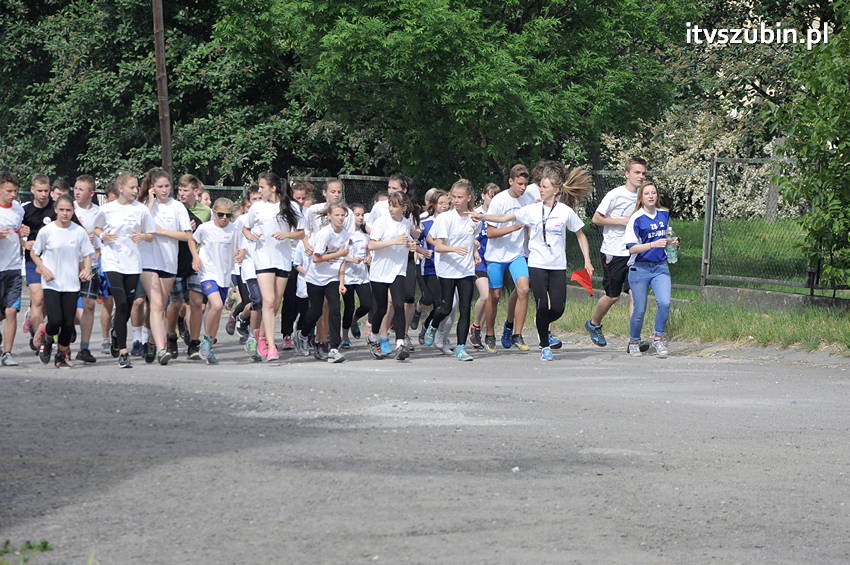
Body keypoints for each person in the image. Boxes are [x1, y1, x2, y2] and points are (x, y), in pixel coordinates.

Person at [474, 164, 594, 361]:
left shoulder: (564, 211)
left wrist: (587, 260)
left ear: (555, 190)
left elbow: (580, 234)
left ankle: (541, 325)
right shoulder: (530, 209)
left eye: (545, 187)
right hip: (537, 264)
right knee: (540, 304)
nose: (540, 189)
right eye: (540, 186)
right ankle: (544, 345)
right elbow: (505, 217)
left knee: (557, 308)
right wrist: (483, 216)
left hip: (557, 265)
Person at [94, 173, 156, 368]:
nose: (136, 190)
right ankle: (123, 351)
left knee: (128, 305)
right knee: (120, 303)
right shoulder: (107, 209)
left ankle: (115, 331)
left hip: (132, 263)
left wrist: (143, 237)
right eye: (132, 187)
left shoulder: (141, 211)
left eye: (137, 187)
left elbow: (151, 234)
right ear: (121, 188)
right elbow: (96, 228)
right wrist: (103, 235)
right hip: (112, 262)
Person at [586, 157, 648, 350]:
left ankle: (634, 340)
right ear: (627, 174)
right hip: (614, 252)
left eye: (643, 173)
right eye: (637, 172)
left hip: (635, 253)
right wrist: (623, 221)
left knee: (635, 295)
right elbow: (596, 218)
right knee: (612, 296)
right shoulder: (615, 195)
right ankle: (594, 324)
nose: (641, 176)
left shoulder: (643, 196)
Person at [241, 171, 304, 361]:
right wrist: (250, 236)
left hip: (283, 259)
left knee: (275, 304)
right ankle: (270, 346)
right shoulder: (257, 207)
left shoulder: (291, 206)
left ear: (273, 188)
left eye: (262, 187)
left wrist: (286, 235)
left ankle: (259, 336)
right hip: (263, 258)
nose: (259, 191)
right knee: (267, 301)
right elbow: (246, 227)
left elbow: (300, 233)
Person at [31, 195, 94, 368]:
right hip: (52, 282)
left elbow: (87, 254)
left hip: (71, 283)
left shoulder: (78, 231)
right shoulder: (47, 231)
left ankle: (61, 353)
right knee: (55, 320)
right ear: (56, 210)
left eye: (68, 210)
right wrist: (43, 269)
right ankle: (47, 334)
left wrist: (87, 269)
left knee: (68, 323)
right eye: (62, 210)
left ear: (73, 211)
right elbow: (34, 253)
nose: (65, 213)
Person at [139, 168, 193, 365]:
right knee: (156, 304)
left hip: (169, 261)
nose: (164, 190)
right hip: (148, 261)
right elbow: (139, 227)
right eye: (160, 187)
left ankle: (153, 340)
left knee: (160, 305)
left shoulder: (177, 207)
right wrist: (150, 204)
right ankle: (162, 349)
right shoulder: (144, 206)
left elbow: (187, 235)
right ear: (152, 188)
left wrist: (163, 231)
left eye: (167, 186)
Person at [424, 179, 481, 361]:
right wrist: (454, 249)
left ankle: (461, 348)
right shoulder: (445, 218)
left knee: (465, 309)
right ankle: (433, 324)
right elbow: (438, 246)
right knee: (446, 307)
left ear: (468, 198)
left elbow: (470, 238)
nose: (456, 201)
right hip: (447, 269)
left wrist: (475, 252)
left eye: (460, 197)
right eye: (454, 197)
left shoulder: (474, 219)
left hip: (466, 269)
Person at [483, 164, 533, 353]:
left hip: (517, 254)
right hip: (496, 255)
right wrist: (513, 227)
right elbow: (490, 232)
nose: (523, 188)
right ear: (510, 181)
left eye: (525, 184)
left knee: (524, 289)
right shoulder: (499, 201)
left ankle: (516, 334)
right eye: (519, 183)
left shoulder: (527, 199)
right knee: (494, 296)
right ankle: (489, 334)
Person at [624, 181, 678, 358]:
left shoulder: (663, 214)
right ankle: (634, 341)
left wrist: (673, 242)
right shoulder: (636, 218)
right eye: (646, 193)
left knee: (665, 302)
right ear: (641, 197)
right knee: (639, 309)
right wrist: (652, 245)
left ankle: (658, 338)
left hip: (660, 266)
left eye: (653, 193)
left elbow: (665, 237)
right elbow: (632, 248)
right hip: (640, 268)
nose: (651, 196)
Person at [367, 192, 416, 360]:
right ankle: (373, 337)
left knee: (398, 304)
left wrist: (413, 246)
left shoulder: (406, 223)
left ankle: (400, 343)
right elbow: (372, 244)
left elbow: (408, 241)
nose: (391, 208)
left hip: (397, 269)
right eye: (390, 204)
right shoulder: (381, 222)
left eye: (395, 206)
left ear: (404, 208)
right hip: (380, 271)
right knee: (380, 308)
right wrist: (393, 241)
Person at [299, 202, 350, 363]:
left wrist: (342, 282)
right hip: (315, 278)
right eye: (337, 215)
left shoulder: (345, 234)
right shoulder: (324, 234)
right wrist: (338, 254)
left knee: (335, 309)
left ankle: (333, 348)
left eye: (343, 215)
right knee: (316, 311)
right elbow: (316, 258)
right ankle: (302, 333)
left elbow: (343, 261)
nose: (340, 218)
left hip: (332, 278)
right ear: (329, 216)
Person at [193, 198, 239, 364]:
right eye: (221, 214)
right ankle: (206, 340)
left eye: (228, 215)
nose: (224, 218)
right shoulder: (205, 228)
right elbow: (192, 240)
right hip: (207, 273)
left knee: (216, 310)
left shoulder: (234, 229)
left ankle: (209, 343)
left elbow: (241, 247)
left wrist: (241, 253)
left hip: (224, 275)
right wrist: (195, 257)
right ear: (213, 212)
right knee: (217, 304)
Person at [165, 175, 204, 360]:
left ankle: (194, 343)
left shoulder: (205, 211)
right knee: (176, 304)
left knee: (196, 303)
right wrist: (183, 230)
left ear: (195, 192)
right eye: (179, 190)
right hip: (175, 261)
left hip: (195, 262)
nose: (181, 193)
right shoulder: (172, 208)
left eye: (185, 190)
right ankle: (171, 336)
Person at [20, 174, 55, 354]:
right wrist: (23, 240)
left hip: (52, 261)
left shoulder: (56, 209)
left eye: (46, 191)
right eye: (39, 191)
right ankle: (37, 335)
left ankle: (40, 327)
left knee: (48, 302)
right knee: (37, 298)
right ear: (32, 190)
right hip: (32, 259)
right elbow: (15, 233)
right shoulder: (24, 210)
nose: (43, 194)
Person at [72, 174, 105, 363]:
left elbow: (101, 243)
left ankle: (84, 348)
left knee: (89, 306)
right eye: (76, 188)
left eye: (81, 189)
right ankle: (56, 330)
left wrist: (97, 262)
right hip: (69, 265)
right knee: (69, 310)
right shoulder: (69, 208)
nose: (77, 192)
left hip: (89, 264)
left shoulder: (99, 213)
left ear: (91, 193)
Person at [469, 182, 498, 350]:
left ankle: (485, 330)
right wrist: (474, 249)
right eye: (490, 195)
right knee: (485, 295)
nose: (492, 199)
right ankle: (476, 327)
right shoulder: (477, 214)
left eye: (495, 196)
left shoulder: (498, 215)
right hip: (479, 259)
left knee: (494, 297)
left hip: (495, 258)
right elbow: (468, 234)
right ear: (483, 196)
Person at [0, 173, 25, 366]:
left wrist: (24, 235)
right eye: (9, 191)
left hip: (14, 267)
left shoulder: (18, 209)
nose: (13, 195)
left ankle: (7, 353)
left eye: (15, 191)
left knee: (11, 311)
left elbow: (20, 232)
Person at [340, 203, 371, 348]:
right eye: (357, 214)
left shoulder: (365, 235)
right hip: (346, 275)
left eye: (362, 214)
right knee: (349, 306)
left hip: (362, 275)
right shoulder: (344, 234)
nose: (360, 217)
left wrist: (369, 258)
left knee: (367, 304)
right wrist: (351, 259)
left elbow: (369, 252)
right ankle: (345, 336)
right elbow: (337, 255)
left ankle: (355, 320)